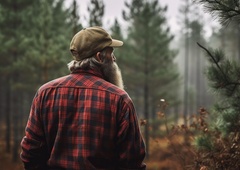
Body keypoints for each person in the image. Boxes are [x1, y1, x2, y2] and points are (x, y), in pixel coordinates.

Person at [20, 26, 146, 170]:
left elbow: (30, 152)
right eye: (111, 53)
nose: (114, 58)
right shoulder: (119, 99)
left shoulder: (45, 92)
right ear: (99, 57)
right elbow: (132, 162)